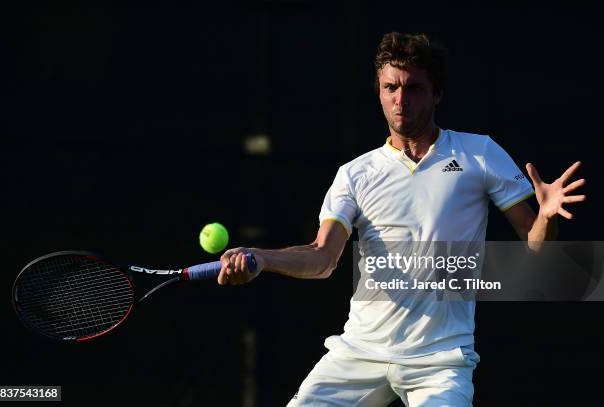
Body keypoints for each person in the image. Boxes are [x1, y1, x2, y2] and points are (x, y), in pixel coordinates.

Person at [217, 32, 586, 406]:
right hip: (359, 353)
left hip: (440, 362)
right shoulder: (354, 174)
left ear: (436, 93)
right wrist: (262, 258)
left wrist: (545, 217)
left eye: (413, 88)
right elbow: (322, 257)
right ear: (378, 91)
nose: (400, 99)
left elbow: (537, 246)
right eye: (390, 87)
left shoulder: (479, 153)